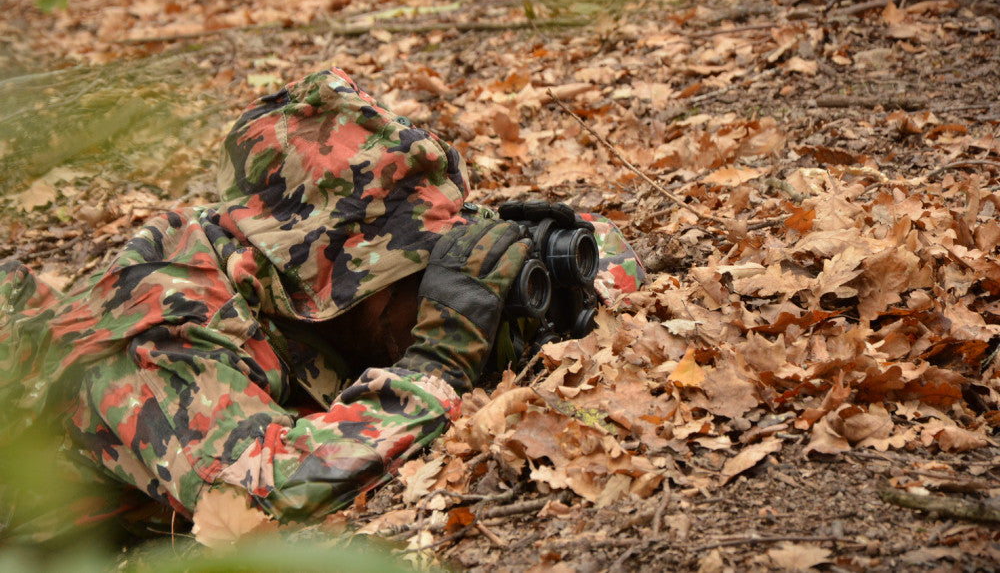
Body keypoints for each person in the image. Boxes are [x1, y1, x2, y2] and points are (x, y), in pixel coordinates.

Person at [0, 67, 644, 540]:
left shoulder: (318, 253)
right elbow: (263, 492)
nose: (440, 293)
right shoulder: (160, 336)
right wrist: (439, 365)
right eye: (414, 279)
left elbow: (602, 242)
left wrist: (547, 272)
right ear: (324, 287)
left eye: (439, 266)